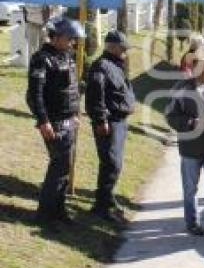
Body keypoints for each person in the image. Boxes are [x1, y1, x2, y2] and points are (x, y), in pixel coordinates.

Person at [165, 46, 204, 238]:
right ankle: (192, 223)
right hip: (190, 149)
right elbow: (170, 115)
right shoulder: (181, 88)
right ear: (194, 65)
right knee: (190, 189)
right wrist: (191, 122)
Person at [26, 17, 85, 229]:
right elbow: (35, 94)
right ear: (57, 37)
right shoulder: (42, 59)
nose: (73, 43)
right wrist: (43, 121)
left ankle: (59, 211)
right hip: (54, 121)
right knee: (58, 166)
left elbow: (71, 89)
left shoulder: (66, 57)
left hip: (68, 119)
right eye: (70, 39)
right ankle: (45, 214)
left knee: (65, 167)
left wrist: (75, 114)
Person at [86, 30, 136, 222]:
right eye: (122, 48)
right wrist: (101, 120)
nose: (125, 52)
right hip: (110, 122)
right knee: (111, 163)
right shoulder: (101, 66)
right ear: (112, 47)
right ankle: (102, 206)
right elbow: (95, 96)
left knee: (115, 164)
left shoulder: (117, 65)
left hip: (120, 122)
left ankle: (106, 199)